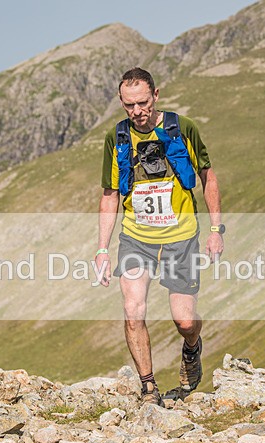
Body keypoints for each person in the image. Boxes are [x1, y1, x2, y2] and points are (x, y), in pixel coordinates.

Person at [95, 67, 225, 406]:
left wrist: (215, 230)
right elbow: (110, 195)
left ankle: (192, 348)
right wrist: (101, 249)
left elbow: (208, 177)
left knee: (184, 320)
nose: (137, 112)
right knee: (132, 310)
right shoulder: (118, 137)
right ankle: (149, 388)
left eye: (142, 103)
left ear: (156, 96)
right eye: (128, 105)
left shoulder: (182, 129)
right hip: (136, 238)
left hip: (181, 237)